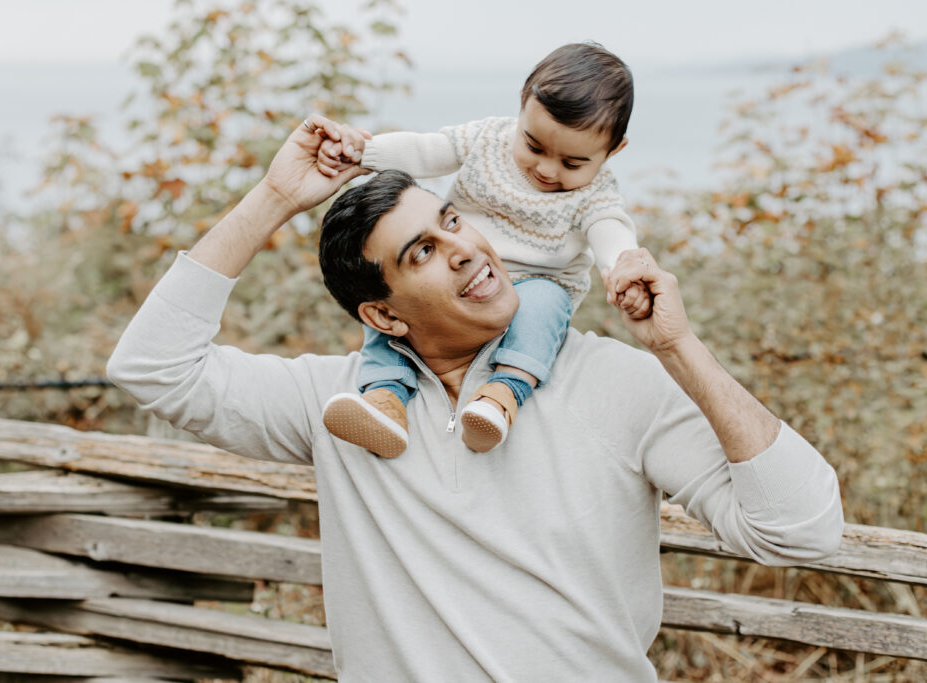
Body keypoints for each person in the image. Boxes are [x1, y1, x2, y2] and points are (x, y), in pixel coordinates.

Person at [107, 114, 844, 682]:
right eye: (422, 252)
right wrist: (274, 197)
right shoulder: (339, 408)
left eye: (450, 220)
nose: (462, 247)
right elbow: (152, 366)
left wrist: (680, 349)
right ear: (385, 317)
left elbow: (801, 530)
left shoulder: (616, 380)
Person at [316, 42, 650, 458]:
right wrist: (364, 153)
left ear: (612, 151)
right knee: (393, 302)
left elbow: (610, 229)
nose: (547, 170)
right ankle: (384, 400)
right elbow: (428, 150)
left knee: (544, 306)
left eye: (572, 163)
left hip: (536, 283)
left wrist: (623, 269)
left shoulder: (596, 193)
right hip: (458, 270)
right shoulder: (488, 140)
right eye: (534, 146)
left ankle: (501, 397)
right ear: (521, 111)